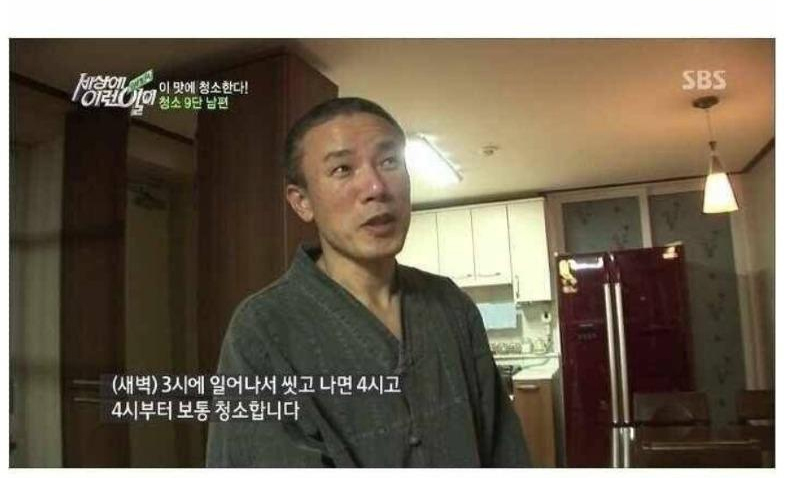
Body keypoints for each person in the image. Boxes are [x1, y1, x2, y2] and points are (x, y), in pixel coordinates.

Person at [205, 97, 531, 467]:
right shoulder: (264, 329)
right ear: (302, 202)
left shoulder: (450, 304)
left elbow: (505, 451)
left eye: (390, 161)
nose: (377, 186)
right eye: (342, 169)